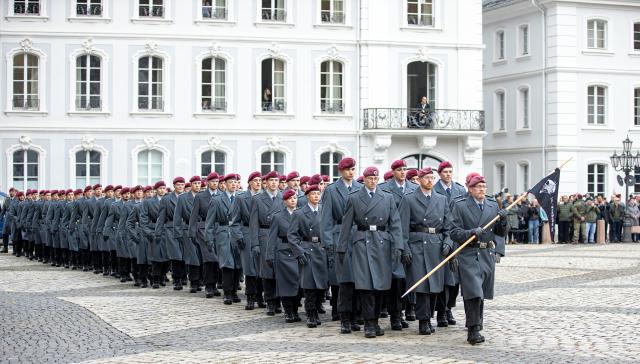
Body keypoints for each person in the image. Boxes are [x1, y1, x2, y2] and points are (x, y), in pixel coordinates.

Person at [337, 166, 403, 339]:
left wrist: (399, 246)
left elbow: (395, 223)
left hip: (382, 242)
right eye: (369, 179)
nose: (372, 181)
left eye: (375, 179)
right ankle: (369, 324)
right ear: (364, 179)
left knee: (381, 286)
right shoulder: (354, 198)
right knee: (366, 285)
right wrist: (341, 248)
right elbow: (346, 225)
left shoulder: (387, 198)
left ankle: (375, 320)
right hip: (362, 241)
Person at [446, 174, 507, 345]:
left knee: (481, 292)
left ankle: (476, 324)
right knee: (473, 291)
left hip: (486, 253)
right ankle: (473, 330)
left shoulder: (492, 205)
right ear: (470, 189)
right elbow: (453, 231)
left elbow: (500, 233)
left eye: (484, 187)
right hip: (468, 253)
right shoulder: (460, 206)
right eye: (478, 187)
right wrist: (470, 232)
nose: (482, 190)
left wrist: (503, 221)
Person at [398, 167, 452, 335]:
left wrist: (448, 242)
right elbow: (402, 227)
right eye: (426, 177)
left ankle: (429, 317)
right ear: (419, 180)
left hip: (436, 245)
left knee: (435, 286)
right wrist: (405, 248)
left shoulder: (442, 199)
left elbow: (449, 225)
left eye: (432, 177)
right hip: (417, 244)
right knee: (422, 285)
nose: (430, 180)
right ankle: (423, 320)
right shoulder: (409, 199)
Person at [320, 157, 363, 333]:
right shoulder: (332, 190)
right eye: (347, 169)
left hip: (359, 237)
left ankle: (356, 315)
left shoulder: (360, 188)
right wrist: (329, 243)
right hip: (340, 236)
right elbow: (326, 220)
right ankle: (344, 317)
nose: (351, 172)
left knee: (359, 280)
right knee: (345, 280)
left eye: (353, 169)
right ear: (340, 171)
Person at [379, 159, 415, 329]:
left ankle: (406, 310)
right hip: (391, 238)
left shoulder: (414, 189)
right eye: (399, 169)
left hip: (409, 238)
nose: (403, 172)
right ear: (393, 171)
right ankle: (395, 314)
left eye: (405, 169)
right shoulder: (384, 188)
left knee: (407, 277)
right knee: (395, 279)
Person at [289, 184, 328, 328]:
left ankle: (317, 308)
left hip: (322, 249)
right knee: (310, 285)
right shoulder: (299, 213)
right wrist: (299, 252)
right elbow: (292, 235)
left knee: (322, 286)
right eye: (313, 194)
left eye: (318, 193)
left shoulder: (324, 210)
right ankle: (310, 314)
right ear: (307, 196)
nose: (316, 196)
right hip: (307, 249)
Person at [432, 161, 466, 327]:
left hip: (458, 236)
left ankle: (449, 307)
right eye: (445, 172)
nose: (448, 174)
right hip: (443, 235)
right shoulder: (434, 189)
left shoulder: (460, 189)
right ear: (440, 174)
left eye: (450, 171)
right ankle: (441, 312)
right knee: (443, 278)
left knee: (455, 278)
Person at [205, 174, 243, 304]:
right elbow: (209, 222)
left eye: (236, 182)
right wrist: (209, 239)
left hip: (238, 234)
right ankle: (227, 292)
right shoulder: (217, 200)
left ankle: (234, 291)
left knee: (238, 264)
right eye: (231, 182)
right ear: (225, 184)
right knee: (227, 264)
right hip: (223, 233)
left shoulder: (241, 198)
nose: (234, 184)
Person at [250, 170, 283, 316]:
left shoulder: (283, 197)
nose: (274, 183)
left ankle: (278, 301)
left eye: (276, 180)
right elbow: (253, 223)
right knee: (267, 271)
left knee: (280, 271)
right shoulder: (258, 199)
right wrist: (255, 243)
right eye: (271, 180)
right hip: (265, 236)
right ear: (266, 182)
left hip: (280, 238)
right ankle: (269, 301)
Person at [266, 189, 302, 323]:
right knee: (286, 284)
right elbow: (272, 237)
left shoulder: (301, 214)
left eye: (295, 198)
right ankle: (288, 311)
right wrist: (269, 255)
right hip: (283, 252)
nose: (293, 200)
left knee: (299, 283)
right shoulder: (278, 216)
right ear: (285, 201)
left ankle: (296, 310)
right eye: (290, 198)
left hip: (298, 252)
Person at [189, 172, 221, 298]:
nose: (215, 184)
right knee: (208, 258)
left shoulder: (222, 195)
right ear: (207, 183)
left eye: (217, 182)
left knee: (217, 259)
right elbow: (193, 215)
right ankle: (208, 286)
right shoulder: (200, 197)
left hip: (219, 230)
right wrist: (192, 233)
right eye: (212, 181)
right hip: (204, 230)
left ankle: (215, 285)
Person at [237, 172, 264, 310]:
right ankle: (250, 297)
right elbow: (235, 221)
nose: (258, 183)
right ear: (249, 183)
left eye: (260, 180)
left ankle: (260, 296)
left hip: (263, 234)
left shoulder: (264, 197)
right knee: (250, 268)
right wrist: (239, 236)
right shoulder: (241, 198)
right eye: (255, 180)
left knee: (261, 267)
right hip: (247, 233)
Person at [156, 177, 185, 290]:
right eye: (178, 185)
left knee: (184, 254)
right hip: (171, 228)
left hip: (185, 228)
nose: (180, 187)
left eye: (182, 184)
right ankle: (176, 279)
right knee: (176, 255)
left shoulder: (188, 197)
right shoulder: (167, 199)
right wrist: (158, 232)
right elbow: (161, 216)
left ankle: (183, 276)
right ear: (174, 186)